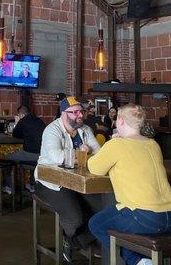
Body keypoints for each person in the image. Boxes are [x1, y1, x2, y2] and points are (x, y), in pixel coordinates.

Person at [88, 104, 171, 265]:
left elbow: (94, 168)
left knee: (96, 223)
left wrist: (111, 143)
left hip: (145, 217)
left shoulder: (116, 145)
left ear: (121, 122)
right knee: (117, 215)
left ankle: (138, 261)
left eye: (116, 119)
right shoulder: (153, 144)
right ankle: (143, 258)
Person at [34, 96, 104, 263]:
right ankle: (72, 241)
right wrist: (83, 154)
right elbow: (57, 157)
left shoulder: (85, 129)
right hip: (50, 181)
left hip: (77, 180)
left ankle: (83, 242)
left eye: (81, 111)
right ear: (64, 114)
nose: (80, 115)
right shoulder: (52, 130)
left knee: (102, 208)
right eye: (75, 112)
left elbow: (100, 153)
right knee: (75, 217)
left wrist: (84, 155)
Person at [3, 105, 45, 193]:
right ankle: (33, 185)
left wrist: (18, 122)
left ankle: (9, 186)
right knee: (35, 163)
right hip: (42, 155)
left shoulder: (23, 121)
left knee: (8, 159)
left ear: (21, 115)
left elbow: (15, 134)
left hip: (29, 153)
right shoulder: (39, 120)